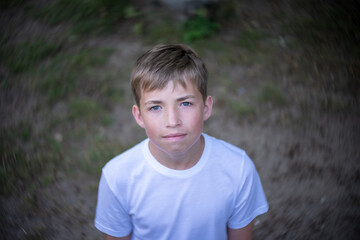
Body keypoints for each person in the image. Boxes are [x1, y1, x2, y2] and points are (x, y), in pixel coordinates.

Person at [95, 44, 268, 240]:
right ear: (139, 116)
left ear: (206, 107)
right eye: (155, 107)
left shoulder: (238, 168)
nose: (172, 121)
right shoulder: (118, 176)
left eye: (185, 103)